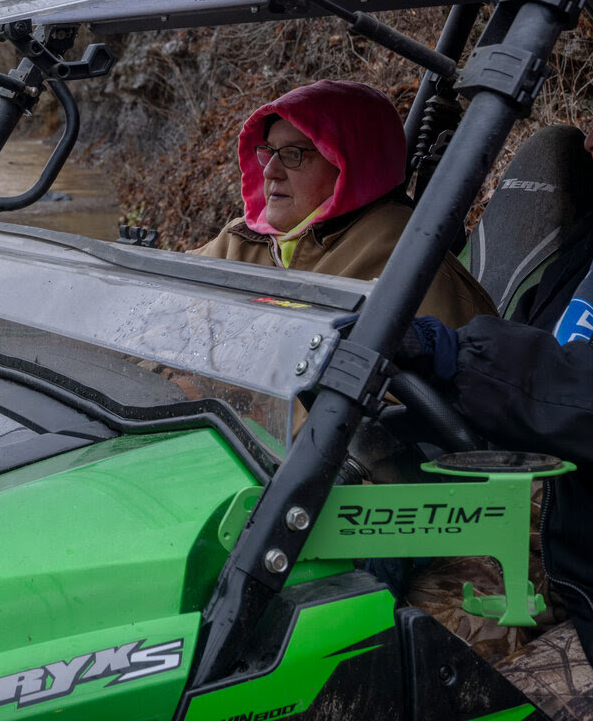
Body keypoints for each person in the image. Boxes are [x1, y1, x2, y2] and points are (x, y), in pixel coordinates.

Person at [398, 125, 593, 717]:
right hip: (560, 524)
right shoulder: (585, 244)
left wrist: (462, 357)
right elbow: (539, 348)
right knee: (381, 635)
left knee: (463, 702)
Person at [192, 79, 497, 327]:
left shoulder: (404, 262)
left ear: (350, 165)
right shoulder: (238, 241)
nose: (270, 171)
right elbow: (157, 312)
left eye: (292, 154)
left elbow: (419, 395)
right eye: (268, 152)